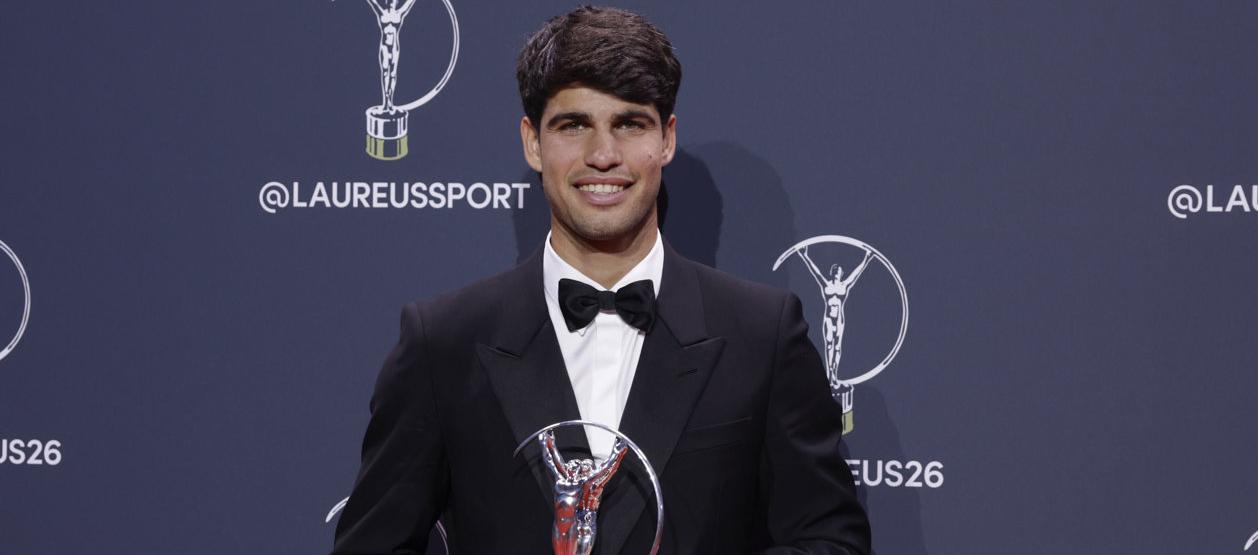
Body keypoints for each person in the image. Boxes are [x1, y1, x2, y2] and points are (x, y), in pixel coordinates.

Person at [332, 6, 871, 554]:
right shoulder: (442, 342)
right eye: (574, 125)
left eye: (629, 123)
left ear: (666, 139)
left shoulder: (763, 336)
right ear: (533, 143)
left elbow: (830, 542)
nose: (603, 155)